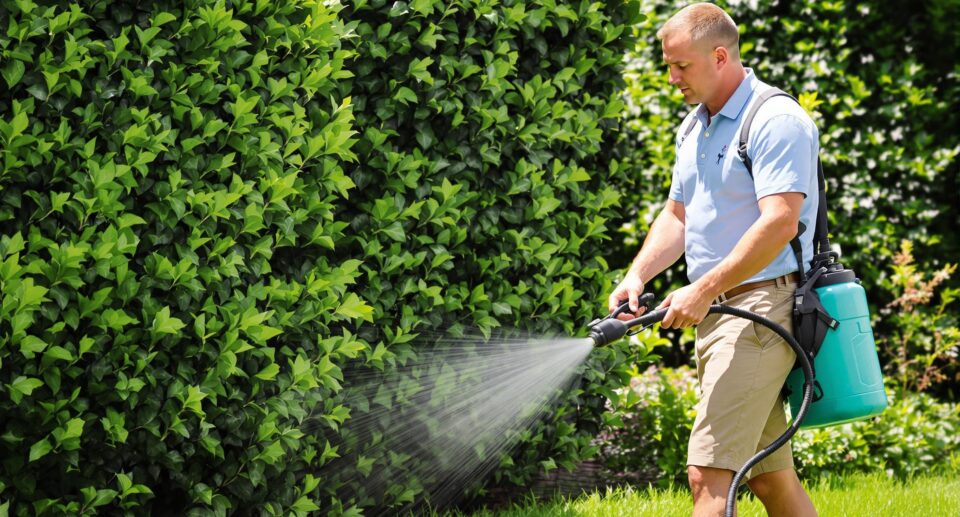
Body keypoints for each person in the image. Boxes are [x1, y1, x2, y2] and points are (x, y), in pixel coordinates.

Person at [607, 3, 819, 516]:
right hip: (725, 313)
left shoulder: (774, 119)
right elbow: (678, 215)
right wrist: (638, 274)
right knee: (771, 479)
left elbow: (779, 222)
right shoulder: (695, 126)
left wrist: (702, 289)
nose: (672, 77)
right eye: (668, 65)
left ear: (720, 56)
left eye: (681, 66)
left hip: (762, 310)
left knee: (709, 472)